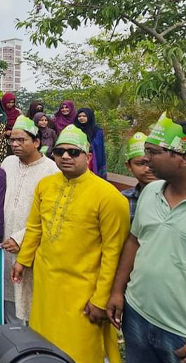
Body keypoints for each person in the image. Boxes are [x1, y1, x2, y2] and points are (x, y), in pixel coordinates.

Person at [12, 124, 130, 363]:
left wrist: (100, 299)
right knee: (44, 349)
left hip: (82, 292)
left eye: (73, 152)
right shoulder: (45, 185)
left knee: (79, 353)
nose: (65, 156)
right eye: (59, 151)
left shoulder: (109, 197)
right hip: (45, 286)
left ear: (88, 156)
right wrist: (22, 261)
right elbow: (35, 228)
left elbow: (113, 253)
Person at [106, 115, 186, 363]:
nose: (147, 159)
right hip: (137, 314)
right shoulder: (150, 191)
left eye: (154, 152)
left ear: (181, 156)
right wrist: (118, 291)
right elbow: (134, 241)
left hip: (179, 332)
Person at [0, 116, 59, 324]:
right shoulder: (7, 163)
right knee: (6, 295)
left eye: (21, 140)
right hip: (3, 240)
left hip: (30, 245)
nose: (15, 144)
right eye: (12, 140)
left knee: (28, 298)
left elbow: (51, 214)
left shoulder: (51, 170)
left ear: (36, 142)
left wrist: (21, 239)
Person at [120, 132, 157, 221]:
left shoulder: (176, 199)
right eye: (141, 163)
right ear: (129, 166)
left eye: (153, 162)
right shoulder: (123, 200)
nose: (148, 168)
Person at [75, 107, 107, 179]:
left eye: (84, 116)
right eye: (79, 116)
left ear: (89, 117)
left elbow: (99, 147)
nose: (81, 118)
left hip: (92, 161)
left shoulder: (97, 131)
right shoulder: (75, 129)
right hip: (77, 159)